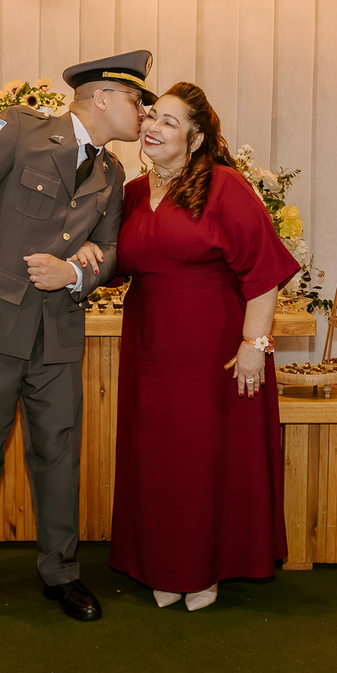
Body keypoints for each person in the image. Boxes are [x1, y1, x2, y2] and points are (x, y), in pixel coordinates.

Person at [0, 51, 155, 625]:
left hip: (58, 333)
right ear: (102, 97)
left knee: (59, 456)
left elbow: (111, 253)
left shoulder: (112, 174)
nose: (144, 114)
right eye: (137, 101)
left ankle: (61, 573)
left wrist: (75, 272)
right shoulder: (20, 131)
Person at [76, 82, 300, 611]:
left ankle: (203, 570)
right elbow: (114, 260)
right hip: (149, 349)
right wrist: (86, 247)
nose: (152, 126)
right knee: (156, 458)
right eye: (152, 116)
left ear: (195, 139)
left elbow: (264, 272)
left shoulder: (225, 186)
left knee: (204, 458)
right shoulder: (131, 193)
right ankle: (162, 564)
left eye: (169, 122)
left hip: (213, 349)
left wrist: (254, 344)